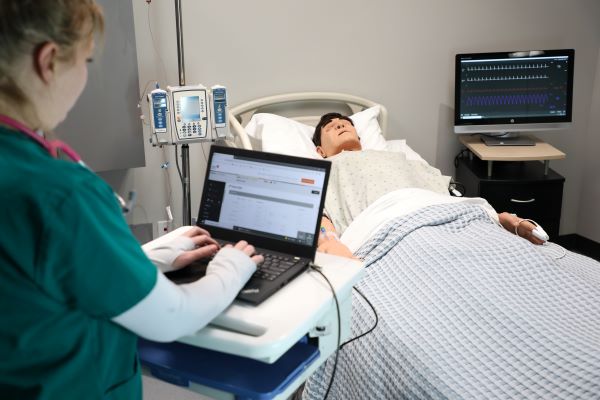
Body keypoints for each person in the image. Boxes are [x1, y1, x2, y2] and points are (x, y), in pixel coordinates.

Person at [0, 2, 262, 399]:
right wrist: (229, 267)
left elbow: (30, 273)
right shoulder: (59, 192)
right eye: (85, 60)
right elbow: (172, 317)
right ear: (49, 60)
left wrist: (146, 257)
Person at [311, 112, 545, 257]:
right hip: (392, 235)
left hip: (451, 222)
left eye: (345, 123)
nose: (340, 125)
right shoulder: (326, 169)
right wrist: (330, 243)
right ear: (320, 151)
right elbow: (321, 214)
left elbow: (447, 196)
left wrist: (495, 217)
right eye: (330, 127)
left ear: (359, 137)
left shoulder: (398, 157)